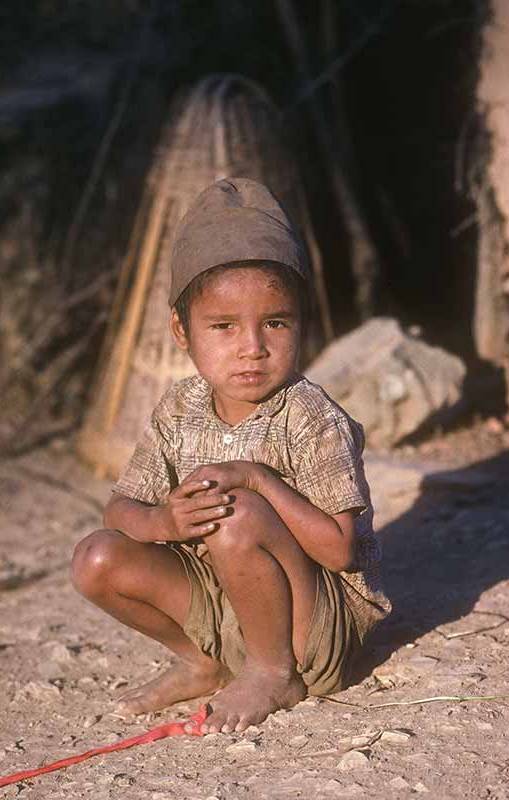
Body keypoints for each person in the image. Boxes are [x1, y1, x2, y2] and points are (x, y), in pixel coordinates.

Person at [71, 178, 391, 734]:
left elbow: (341, 552)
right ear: (181, 331)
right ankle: (203, 661)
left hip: (309, 630)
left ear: (301, 324)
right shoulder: (179, 407)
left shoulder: (311, 418)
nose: (252, 347)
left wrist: (260, 480)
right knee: (97, 557)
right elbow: (119, 510)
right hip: (224, 611)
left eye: (275, 322)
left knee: (236, 511)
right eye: (222, 326)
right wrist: (161, 520)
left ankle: (273, 673)